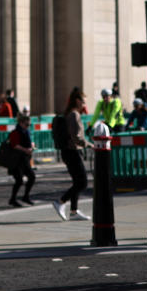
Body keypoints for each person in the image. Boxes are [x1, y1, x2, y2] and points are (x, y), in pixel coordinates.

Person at [52, 88, 90, 221]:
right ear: (77, 101)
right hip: (72, 151)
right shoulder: (74, 115)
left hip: (69, 152)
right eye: (83, 101)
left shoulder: (70, 113)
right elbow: (76, 137)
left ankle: (74, 211)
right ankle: (60, 202)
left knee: (77, 182)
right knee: (83, 182)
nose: (85, 105)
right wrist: (90, 145)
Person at [6, 113, 36, 207]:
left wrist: (32, 146)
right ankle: (13, 199)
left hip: (24, 160)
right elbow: (15, 145)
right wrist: (26, 150)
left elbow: (28, 142)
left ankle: (24, 196)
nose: (28, 126)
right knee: (19, 180)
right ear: (21, 123)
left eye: (29, 125)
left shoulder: (25, 131)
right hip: (17, 160)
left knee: (31, 177)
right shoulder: (16, 132)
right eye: (26, 124)